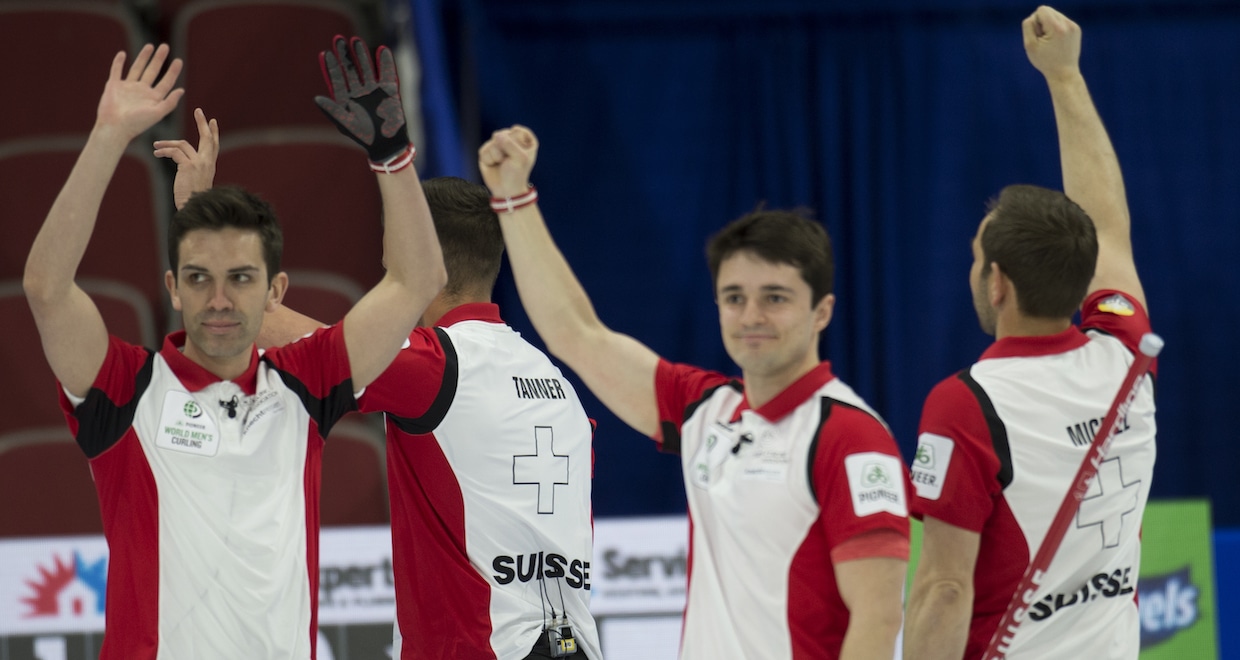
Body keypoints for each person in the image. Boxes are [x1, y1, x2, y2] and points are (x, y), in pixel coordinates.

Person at [22, 38, 445, 659]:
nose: (219, 299)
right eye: (199, 278)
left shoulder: (308, 381)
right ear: (172, 288)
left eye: (240, 279)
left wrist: (391, 156)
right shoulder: (125, 389)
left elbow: (416, 282)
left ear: (275, 290)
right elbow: (46, 288)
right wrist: (109, 136)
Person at [478, 127, 911, 659]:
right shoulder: (707, 410)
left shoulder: (850, 435)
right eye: (734, 297)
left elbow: (880, 616)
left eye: (774, 298)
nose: (751, 316)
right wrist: (513, 198)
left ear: (822, 310)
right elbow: (577, 334)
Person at [252, 177, 604, 660]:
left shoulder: (437, 366)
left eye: (391, 271)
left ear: (419, 264)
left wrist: (201, 229)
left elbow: (291, 340)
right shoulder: (561, 387)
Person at [901, 7, 1156, 659]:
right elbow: (1110, 226)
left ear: (997, 283)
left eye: (974, 257)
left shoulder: (966, 404)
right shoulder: (1126, 356)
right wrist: (1065, 77)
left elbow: (944, 591)